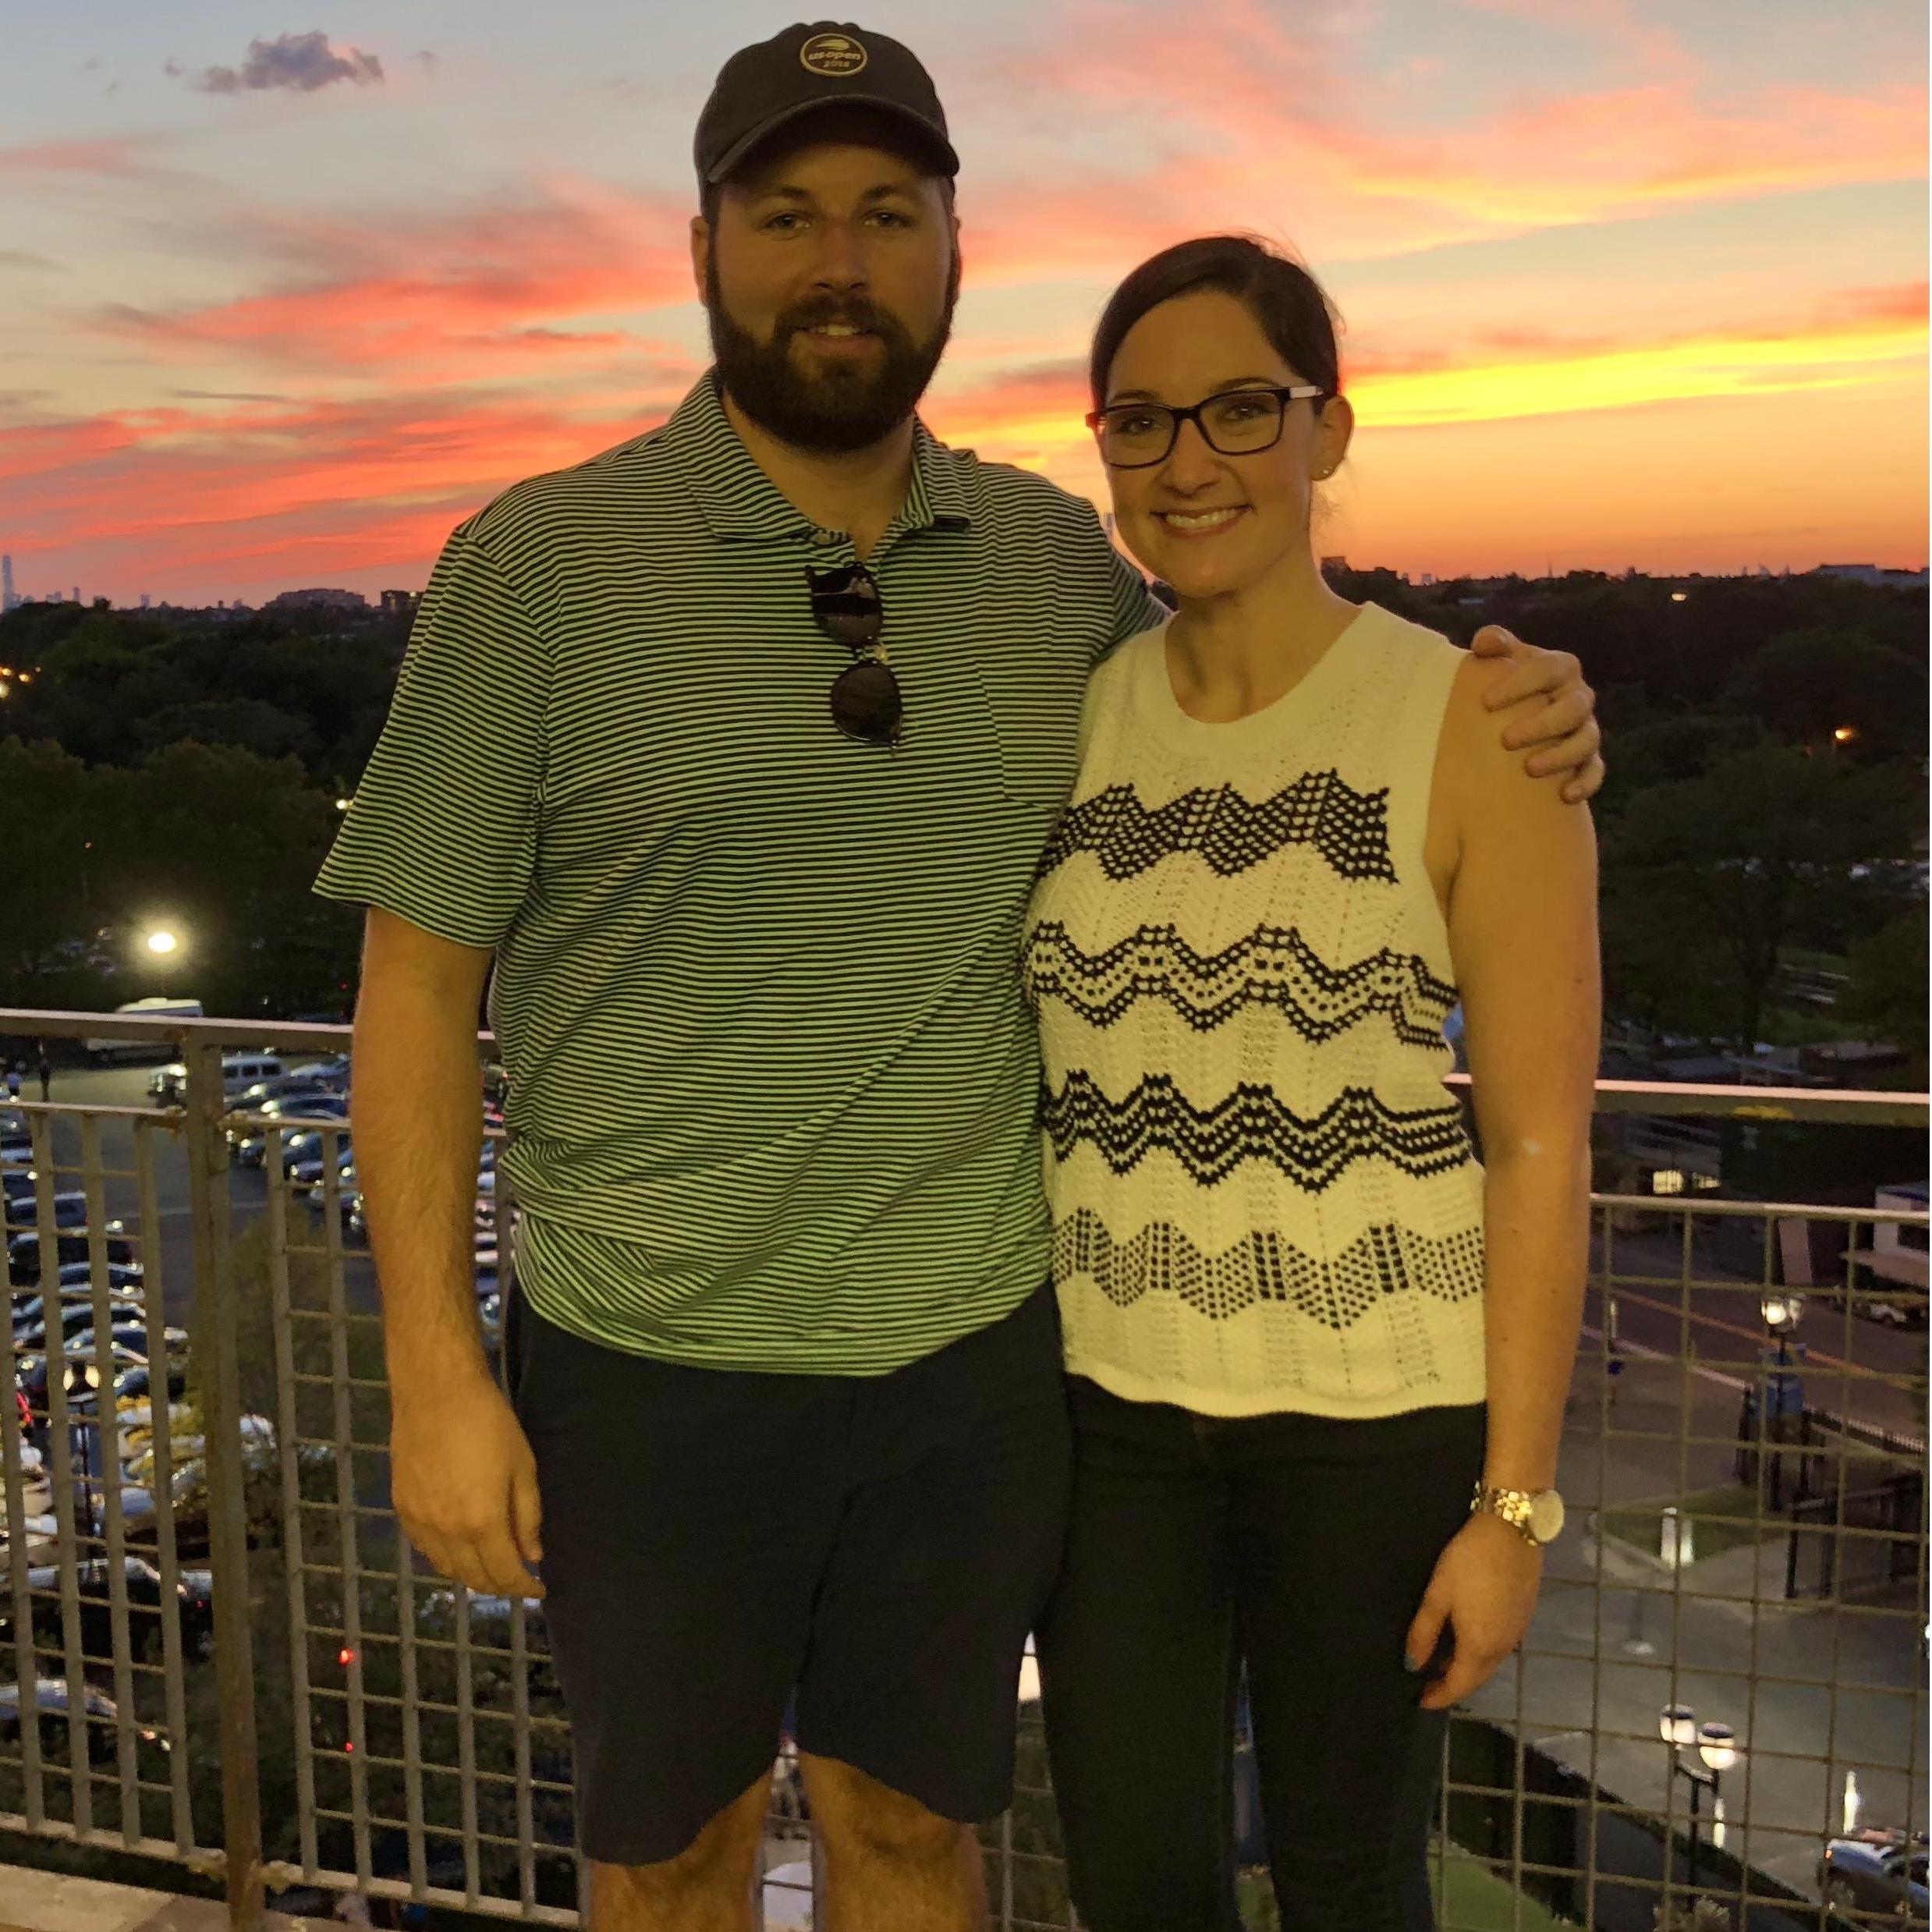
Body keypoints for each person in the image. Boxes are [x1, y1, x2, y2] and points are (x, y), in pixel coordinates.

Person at [315, 24, 1604, 1932]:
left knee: (916, 1841)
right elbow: (413, 993)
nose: (838, 260)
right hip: (651, 1367)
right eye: (787, 213)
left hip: (977, 1366)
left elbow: (1264, 676)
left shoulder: (1050, 573)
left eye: (886, 213)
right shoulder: (541, 566)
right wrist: (434, 1369)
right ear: (701, 250)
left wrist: (1544, 702)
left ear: (952, 258)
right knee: (662, 1863)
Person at [1024, 235, 1601, 1932]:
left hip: (1375, 1423)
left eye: (1237, 410)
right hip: (1108, 1412)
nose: (1188, 461)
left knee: (1352, 1877)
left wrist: (1512, 1508)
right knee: (1134, 1874)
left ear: (1327, 434)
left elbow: (1544, 1137)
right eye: (1141, 421)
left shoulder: (1470, 722)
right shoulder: (1075, 716)